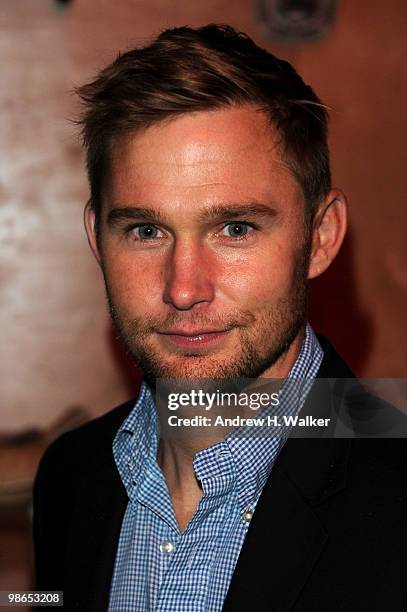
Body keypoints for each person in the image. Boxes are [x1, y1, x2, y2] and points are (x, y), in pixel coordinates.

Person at [33, 24, 407, 611]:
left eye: (235, 228)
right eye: (146, 230)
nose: (184, 288)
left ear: (321, 236)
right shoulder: (71, 475)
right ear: (97, 238)